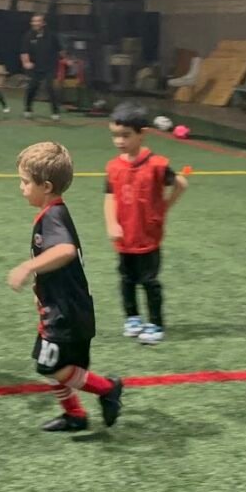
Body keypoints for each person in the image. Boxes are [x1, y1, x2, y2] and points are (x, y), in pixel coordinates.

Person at [9, 141, 124, 432]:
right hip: (59, 308)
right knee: (49, 363)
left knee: (51, 366)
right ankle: (75, 415)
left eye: (25, 182)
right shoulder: (51, 213)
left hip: (67, 313)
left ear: (46, 186)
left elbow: (66, 250)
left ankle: (108, 389)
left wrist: (27, 267)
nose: (21, 187)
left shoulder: (53, 216)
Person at [103, 102, 188, 344]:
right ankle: (132, 317)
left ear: (142, 134)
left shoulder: (157, 165)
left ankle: (156, 324)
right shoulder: (113, 167)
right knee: (126, 279)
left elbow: (181, 184)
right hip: (124, 236)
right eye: (115, 135)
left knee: (149, 282)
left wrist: (165, 207)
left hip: (148, 236)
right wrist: (111, 223)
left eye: (125, 135)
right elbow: (109, 197)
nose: (119, 141)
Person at [19, 14, 62, 120]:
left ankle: (55, 112)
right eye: (33, 21)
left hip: (50, 67)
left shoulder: (51, 36)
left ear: (43, 23)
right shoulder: (28, 36)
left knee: (50, 88)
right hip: (35, 68)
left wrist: (67, 60)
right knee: (32, 88)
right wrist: (26, 62)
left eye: (38, 21)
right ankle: (28, 109)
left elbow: (60, 50)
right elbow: (24, 52)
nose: (35, 23)